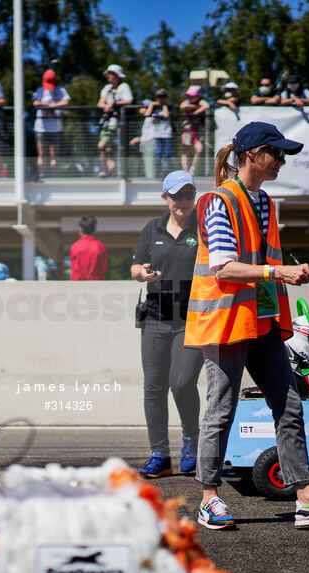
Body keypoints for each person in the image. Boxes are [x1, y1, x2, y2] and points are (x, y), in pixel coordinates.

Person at [184, 121, 309, 530]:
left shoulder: (263, 202)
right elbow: (224, 268)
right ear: (251, 156)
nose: (282, 160)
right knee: (221, 409)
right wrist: (279, 274)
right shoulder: (218, 201)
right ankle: (209, 497)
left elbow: (262, 261)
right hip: (227, 320)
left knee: (289, 405)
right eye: (276, 153)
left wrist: (292, 270)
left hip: (261, 318)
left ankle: (307, 497)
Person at [131, 171, 203, 478]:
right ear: (165, 198)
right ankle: (160, 455)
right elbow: (135, 265)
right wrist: (140, 273)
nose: (183, 202)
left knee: (182, 383)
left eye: (188, 195)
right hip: (157, 317)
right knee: (154, 387)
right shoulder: (153, 228)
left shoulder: (204, 228)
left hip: (192, 319)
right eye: (177, 196)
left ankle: (191, 440)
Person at [96, 64, 134, 178]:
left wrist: (114, 104)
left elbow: (129, 100)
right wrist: (106, 106)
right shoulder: (107, 88)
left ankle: (108, 171)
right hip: (106, 122)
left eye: (111, 74)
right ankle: (108, 172)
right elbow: (100, 103)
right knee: (108, 150)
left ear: (117, 75)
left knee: (101, 145)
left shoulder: (123, 87)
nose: (109, 76)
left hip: (115, 122)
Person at [31, 69, 70, 178]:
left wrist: (53, 107)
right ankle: (42, 175)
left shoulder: (61, 90)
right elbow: (36, 102)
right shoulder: (40, 90)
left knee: (54, 155)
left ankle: (54, 175)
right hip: (41, 128)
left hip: (55, 128)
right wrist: (47, 106)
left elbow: (66, 102)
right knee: (42, 154)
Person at [180, 85, 210, 175]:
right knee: (186, 151)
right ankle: (185, 171)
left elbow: (206, 106)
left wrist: (196, 111)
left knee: (199, 149)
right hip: (188, 128)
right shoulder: (187, 102)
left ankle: (192, 168)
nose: (190, 97)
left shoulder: (201, 102)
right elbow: (182, 106)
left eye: (192, 96)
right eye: (189, 96)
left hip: (197, 129)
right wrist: (193, 106)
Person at [69, 215, 108, 280]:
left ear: (80, 230)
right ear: (93, 230)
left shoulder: (75, 246)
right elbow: (104, 268)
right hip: (96, 282)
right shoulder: (99, 246)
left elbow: (73, 268)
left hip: (77, 283)